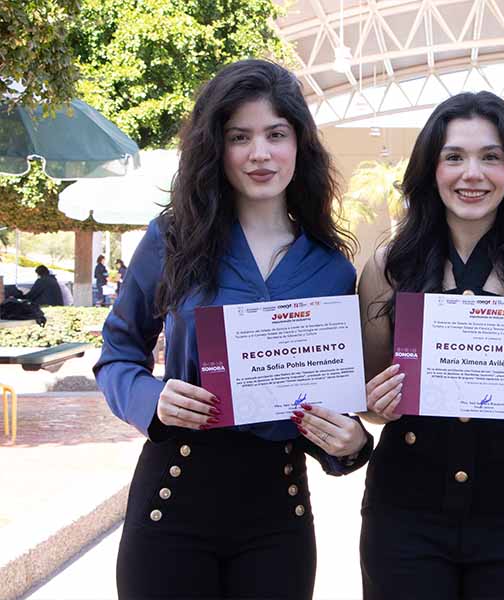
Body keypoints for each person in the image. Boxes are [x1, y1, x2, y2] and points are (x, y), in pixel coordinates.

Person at [93, 59, 373, 600]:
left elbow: (328, 404)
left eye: (276, 134)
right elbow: (117, 354)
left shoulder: (333, 270)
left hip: (279, 516)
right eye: (239, 137)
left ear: (300, 144)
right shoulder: (172, 239)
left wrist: (352, 443)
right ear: (215, 148)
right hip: (173, 501)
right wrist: (151, 398)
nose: (260, 153)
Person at [358, 91, 504, 600]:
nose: (472, 174)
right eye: (454, 157)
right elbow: (369, 400)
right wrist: (376, 404)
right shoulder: (388, 269)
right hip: (404, 515)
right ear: (430, 169)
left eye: (491, 156)